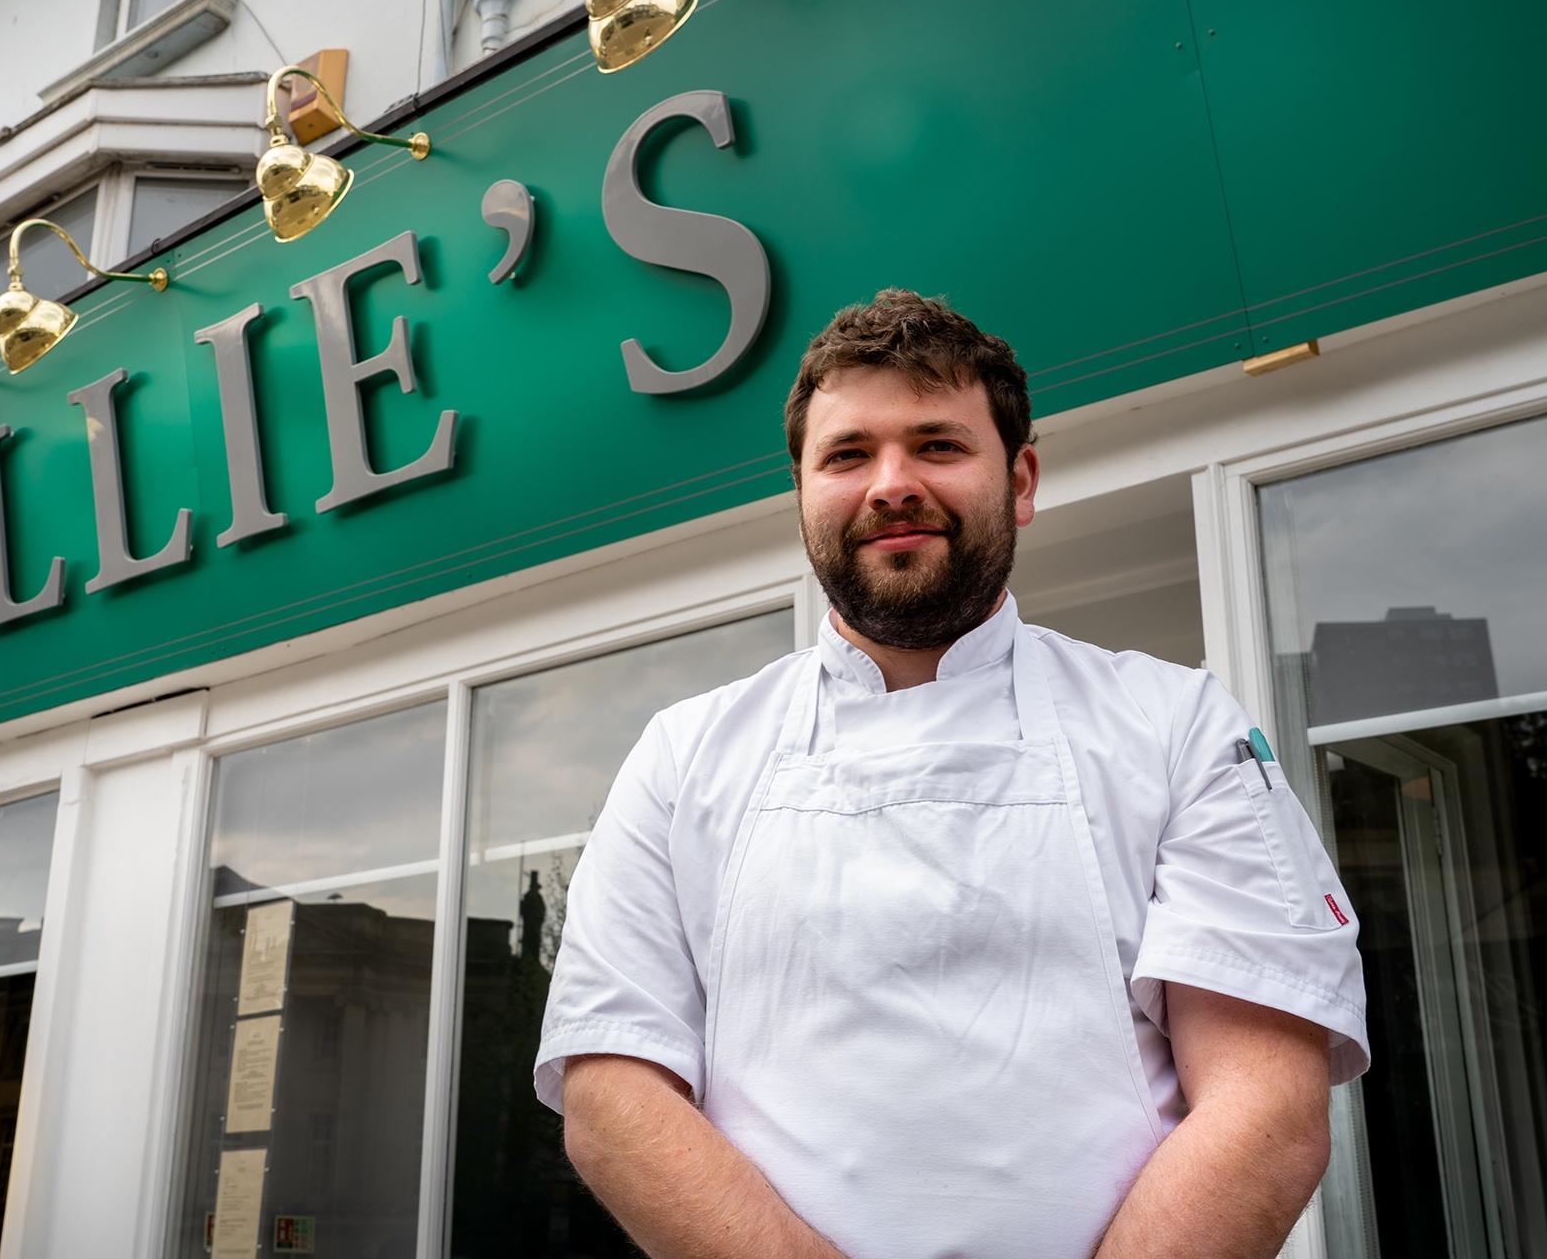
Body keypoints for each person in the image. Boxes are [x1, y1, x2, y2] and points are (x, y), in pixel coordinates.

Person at [534, 291, 1367, 1258]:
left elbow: (1267, 1104)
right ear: (800, 493)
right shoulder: (684, 755)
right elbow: (613, 1094)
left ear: (1019, 480)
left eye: (937, 445)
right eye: (848, 455)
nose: (892, 484)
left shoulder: (1175, 724)